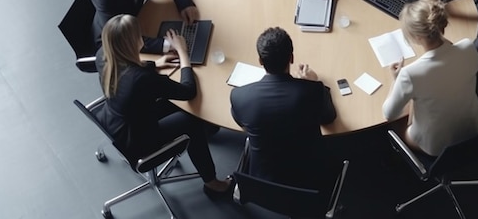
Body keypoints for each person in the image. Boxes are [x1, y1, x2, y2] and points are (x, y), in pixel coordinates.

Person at [93, 14, 232, 198]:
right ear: (134, 42)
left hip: (117, 123)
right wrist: (183, 54)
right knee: (192, 120)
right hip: (139, 141)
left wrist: (154, 64)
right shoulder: (142, 79)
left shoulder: (103, 55)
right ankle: (213, 183)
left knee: (175, 106)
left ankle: (209, 129)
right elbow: (188, 91)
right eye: (139, 35)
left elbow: (129, 73)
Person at [230, 27, 336, 188]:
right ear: (291, 58)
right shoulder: (313, 91)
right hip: (310, 181)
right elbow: (329, 118)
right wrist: (314, 83)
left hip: (262, 184)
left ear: (260, 60)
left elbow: (242, 123)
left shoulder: (239, 96)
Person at [382, 0, 478, 156]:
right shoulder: (468, 47)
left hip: (437, 144)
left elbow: (389, 114)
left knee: (397, 124)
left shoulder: (410, 74)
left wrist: (395, 80)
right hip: (473, 129)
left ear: (416, 37)